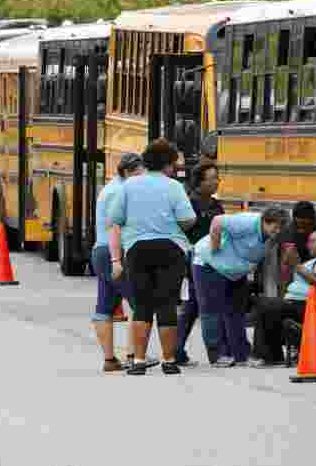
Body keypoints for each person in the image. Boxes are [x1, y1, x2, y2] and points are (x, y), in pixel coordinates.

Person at [108, 139, 196, 375]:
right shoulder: (174, 187)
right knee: (167, 304)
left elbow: (115, 217)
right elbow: (188, 218)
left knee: (143, 306)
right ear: (167, 164)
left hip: (137, 249)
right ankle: (168, 360)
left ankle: (138, 361)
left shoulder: (129, 186)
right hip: (170, 249)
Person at [191, 206, 288, 367]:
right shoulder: (248, 222)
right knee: (211, 310)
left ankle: (241, 354)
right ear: (264, 221)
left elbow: (266, 261)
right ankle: (218, 355)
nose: (277, 231)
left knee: (236, 311)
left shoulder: (274, 237)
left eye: (281, 227)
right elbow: (217, 221)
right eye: (275, 226)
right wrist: (215, 247)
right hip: (209, 264)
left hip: (234, 271)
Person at [251, 228, 316, 367]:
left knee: (264, 305)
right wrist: (286, 264)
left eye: (313, 241)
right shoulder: (311, 262)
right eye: (308, 242)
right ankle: (270, 355)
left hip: (313, 308)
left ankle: (267, 355)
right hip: (296, 304)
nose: (309, 245)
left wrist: (296, 264)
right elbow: (289, 286)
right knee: (264, 306)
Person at [91, 152, 146, 372]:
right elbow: (117, 226)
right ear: (128, 172)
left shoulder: (111, 188)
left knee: (104, 306)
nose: (143, 177)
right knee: (138, 303)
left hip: (101, 251)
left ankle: (110, 360)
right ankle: (134, 356)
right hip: (114, 252)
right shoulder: (120, 192)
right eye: (140, 172)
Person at [175, 161, 227, 367]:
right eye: (212, 178)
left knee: (193, 306)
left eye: (217, 177)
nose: (217, 182)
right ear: (199, 182)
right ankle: (216, 354)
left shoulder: (216, 205)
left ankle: (176, 351)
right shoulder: (189, 204)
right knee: (206, 307)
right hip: (194, 261)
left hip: (213, 262)